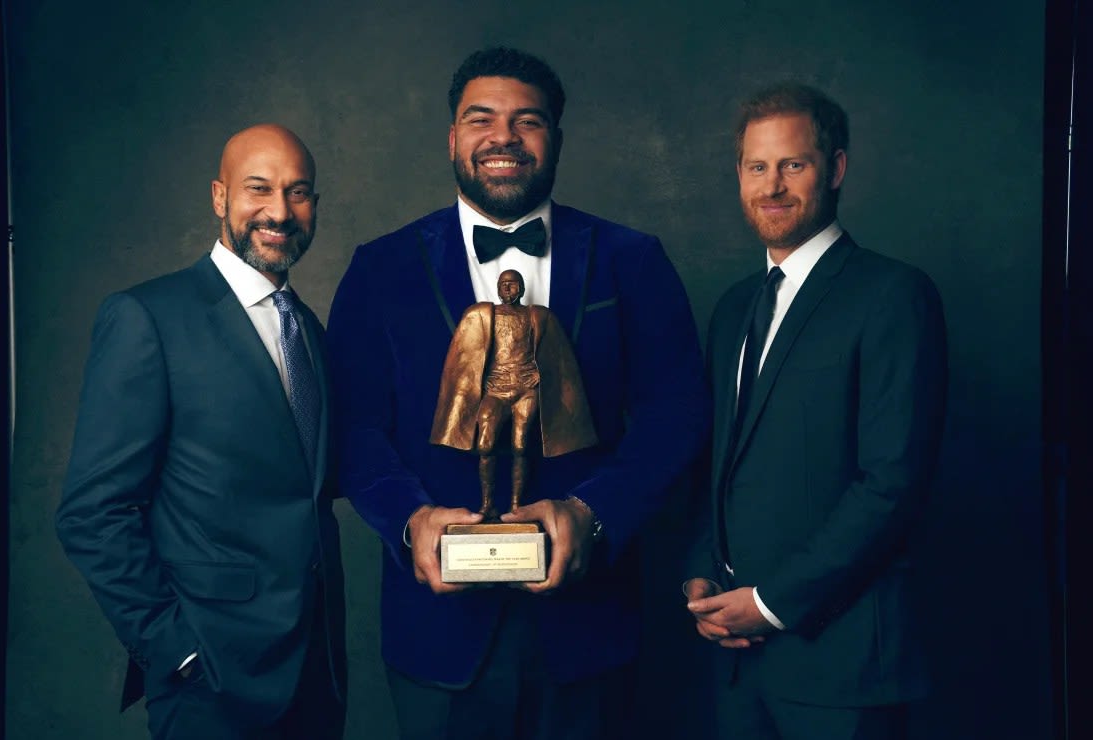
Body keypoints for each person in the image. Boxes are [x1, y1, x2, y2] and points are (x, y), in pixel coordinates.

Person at [327, 47, 709, 739]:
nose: (503, 136)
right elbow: (353, 429)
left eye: (526, 120)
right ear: (453, 137)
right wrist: (410, 521)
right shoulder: (379, 268)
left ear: (555, 139)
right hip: (436, 637)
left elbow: (676, 416)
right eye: (482, 118)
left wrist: (594, 514)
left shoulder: (633, 259)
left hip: (590, 632)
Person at [55, 124, 347, 740]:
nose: (278, 211)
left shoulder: (309, 331)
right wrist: (174, 650)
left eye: (298, 193)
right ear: (220, 197)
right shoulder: (147, 318)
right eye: (258, 189)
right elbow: (91, 513)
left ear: (314, 207)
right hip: (208, 680)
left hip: (315, 676)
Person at [684, 83, 948, 740]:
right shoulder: (734, 308)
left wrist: (770, 606)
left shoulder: (892, 295)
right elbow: (721, 463)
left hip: (843, 666)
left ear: (834, 168)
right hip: (738, 666)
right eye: (756, 166)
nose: (771, 185)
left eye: (792, 165)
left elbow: (891, 484)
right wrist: (698, 572)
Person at [429, 268, 596, 519]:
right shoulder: (485, 315)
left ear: (522, 288)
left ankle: (516, 505)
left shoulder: (538, 316)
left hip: (525, 390)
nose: (508, 288)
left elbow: (558, 359)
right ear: (497, 288)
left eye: (513, 284)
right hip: (495, 390)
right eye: (504, 284)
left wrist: (542, 376)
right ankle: (488, 504)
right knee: (485, 444)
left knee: (520, 445)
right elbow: (467, 358)